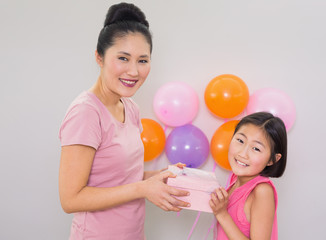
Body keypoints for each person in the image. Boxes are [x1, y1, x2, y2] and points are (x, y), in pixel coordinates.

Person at [58, 2, 190, 239]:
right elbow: (70, 199)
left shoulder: (130, 107)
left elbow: (120, 178)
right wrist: (142, 189)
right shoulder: (85, 113)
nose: (133, 71)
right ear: (99, 57)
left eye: (142, 60)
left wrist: (158, 177)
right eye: (123, 58)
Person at [210, 112, 287, 240]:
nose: (243, 153)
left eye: (256, 148)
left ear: (272, 159)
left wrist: (222, 214)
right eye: (240, 140)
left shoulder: (262, 191)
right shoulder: (235, 179)